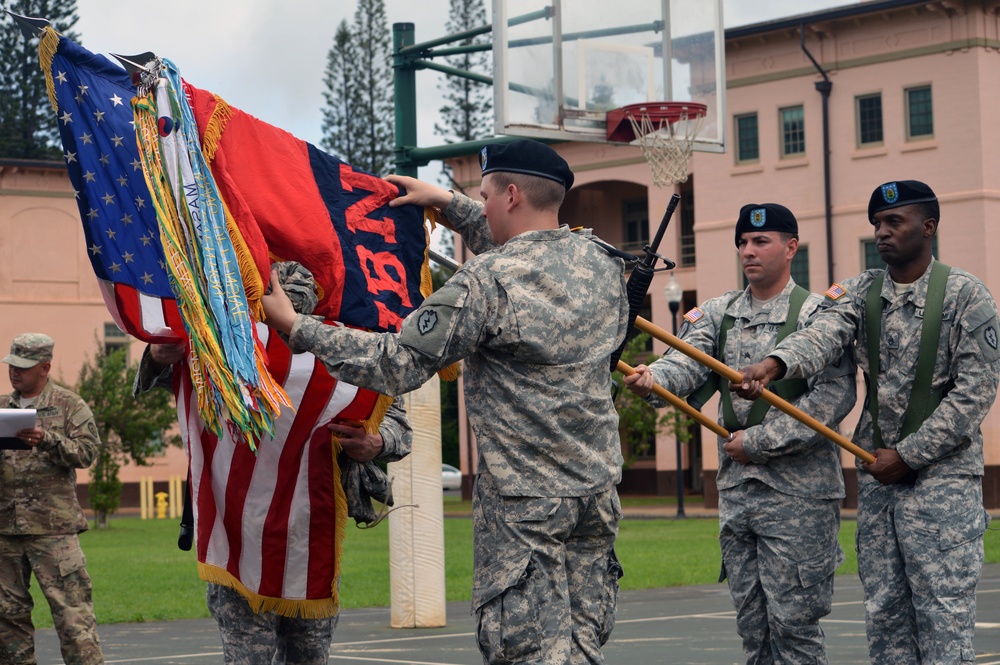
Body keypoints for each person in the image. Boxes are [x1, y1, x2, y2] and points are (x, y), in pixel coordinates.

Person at [261, 139, 630, 665]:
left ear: (510, 194)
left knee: (527, 653)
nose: (479, 207)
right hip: (596, 495)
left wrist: (299, 328)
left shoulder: (487, 282)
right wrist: (447, 203)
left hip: (527, 506)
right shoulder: (601, 264)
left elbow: (397, 361)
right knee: (581, 648)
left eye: (482, 196)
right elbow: (524, 244)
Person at [735, 180, 1000, 663]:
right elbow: (822, 334)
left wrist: (911, 455)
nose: (881, 232)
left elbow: (974, 395)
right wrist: (773, 366)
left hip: (943, 485)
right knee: (885, 620)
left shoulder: (967, 296)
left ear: (929, 226)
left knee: (944, 625)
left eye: (894, 222)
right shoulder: (859, 293)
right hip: (878, 483)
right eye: (877, 223)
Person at [622, 203, 855, 663]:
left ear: (791, 248)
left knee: (795, 628)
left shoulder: (817, 315)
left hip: (799, 497)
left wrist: (758, 443)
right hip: (737, 493)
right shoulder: (719, 312)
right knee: (753, 629)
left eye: (761, 242)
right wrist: (656, 379)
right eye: (743, 243)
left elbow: (832, 400)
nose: (749, 251)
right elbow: (685, 362)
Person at [135, 341, 412, 665]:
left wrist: (376, 443)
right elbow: (178, 369)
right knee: (248, 658)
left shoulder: (347, 337)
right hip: (238, 534)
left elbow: (399, 425)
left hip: (311, 531)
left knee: (310, 656)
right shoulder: (230, 324)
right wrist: (155, 358)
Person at [0, 333, 104, 664]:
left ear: (45, 367)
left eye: (24, 367)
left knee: (74, 619)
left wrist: (48, 440)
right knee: (8, 621)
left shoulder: (69, 405)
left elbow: (87, 453)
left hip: (54, 531)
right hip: (5, 532)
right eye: (12, 366)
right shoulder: (2, 407)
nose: (15, 373)